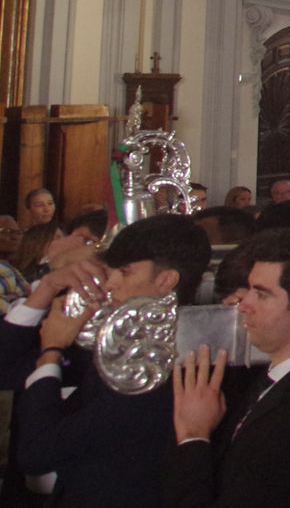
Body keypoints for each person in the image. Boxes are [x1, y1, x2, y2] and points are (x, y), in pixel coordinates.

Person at [4, 214, 211, 507]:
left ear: (166, 280)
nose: (110, 283)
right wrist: (47, 287)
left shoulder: (150, 369)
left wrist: (52, 350)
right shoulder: (117, 339)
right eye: (109, 271)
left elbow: (37, 451)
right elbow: (7, 368)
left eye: (124, 273)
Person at [164, 227, 290, 506]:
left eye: (262, 294)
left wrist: (193, 437)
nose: (245, 304)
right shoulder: (282, 378)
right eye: (249, 289)